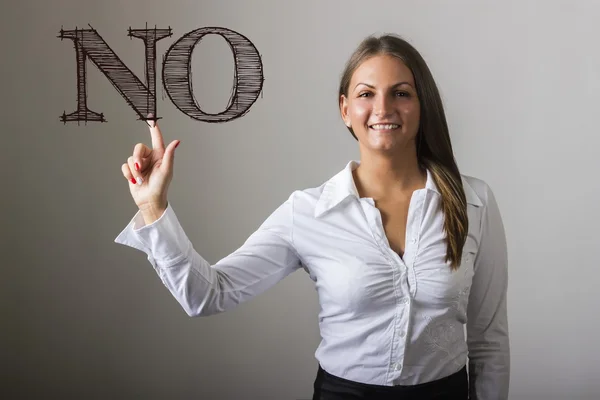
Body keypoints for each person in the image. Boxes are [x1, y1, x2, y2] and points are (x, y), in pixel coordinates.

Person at [115, 33, 509, 400]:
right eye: (366, 94)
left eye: (401, 93)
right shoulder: (308, 212)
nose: (383, 108)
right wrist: (153, 207)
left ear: (422, 105)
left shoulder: (474, 202)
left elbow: (488, 338)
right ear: (345, 109)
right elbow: (209, 294)